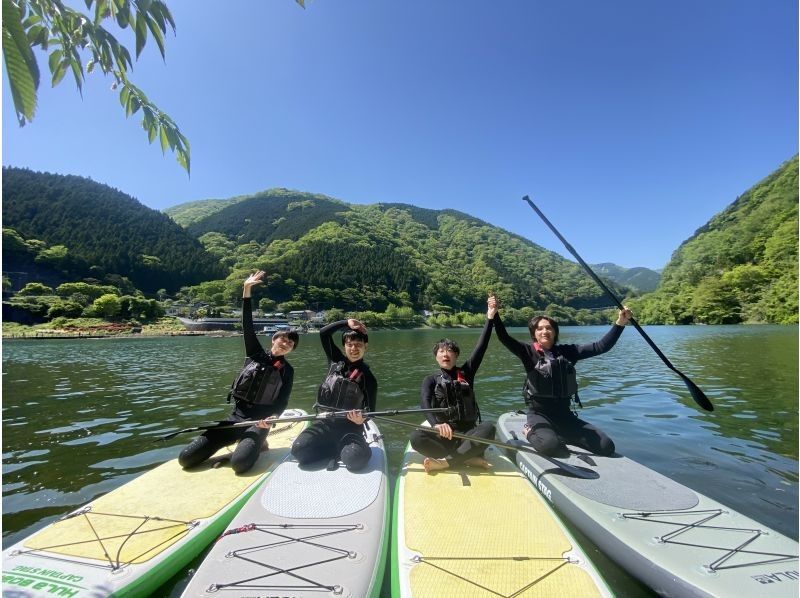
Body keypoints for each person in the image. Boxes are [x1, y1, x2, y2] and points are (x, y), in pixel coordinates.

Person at [178, 271, 298, 474]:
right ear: (273, 339)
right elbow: (247, 324)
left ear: (292, 350)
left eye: (291, 343)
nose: (285, 344)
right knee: (186, 459)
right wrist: (246, 290)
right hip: (235, 418)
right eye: (283, 339)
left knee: (240, 464)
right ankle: (235, 442)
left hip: (259, 422)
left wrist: (273, 417)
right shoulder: (254, 354)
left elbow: (282, 402)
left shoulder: (288, 371)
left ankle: (257, 443)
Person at [488, 295, 632, 457]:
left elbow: (601, 346)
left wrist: (620, 323)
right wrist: (495, 314)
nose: (545, 331)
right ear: (534, 334)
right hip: (539, 415)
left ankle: (564, 434)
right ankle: (529, 431)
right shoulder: (527, 352)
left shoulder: (568, 352)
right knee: (550, 447)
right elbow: (504, 337)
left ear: (555, 332)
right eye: (540, 328)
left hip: (565, 416)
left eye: (549, 328)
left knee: (606, 446)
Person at [411, 312, 497, 474]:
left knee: (488, 428)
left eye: (449, 351)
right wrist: (435, 425)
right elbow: (425, 403)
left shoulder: (467, 373)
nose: (445, 354)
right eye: (441, 351)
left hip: (469, 436)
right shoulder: (430, 380)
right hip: (445, 435)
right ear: (436, 357)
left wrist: (490, 317)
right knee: (416, 438)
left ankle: (447, 462)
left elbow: (481, 346)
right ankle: (467, 458)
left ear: (456, 355)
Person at [290, 318, 376, 471]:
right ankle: (333, 450)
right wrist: (346, 323)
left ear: (366, 346)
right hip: (324, 424)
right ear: (344, 346)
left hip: (350, 429)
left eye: (358, 345)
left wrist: (361, 419)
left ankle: (353, 450)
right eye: (350, 344)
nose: (354, 348)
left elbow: (371, 411)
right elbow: (324, 333)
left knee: (355, 461)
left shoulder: (368, 378)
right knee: (298, 450)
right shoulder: (334, 361)